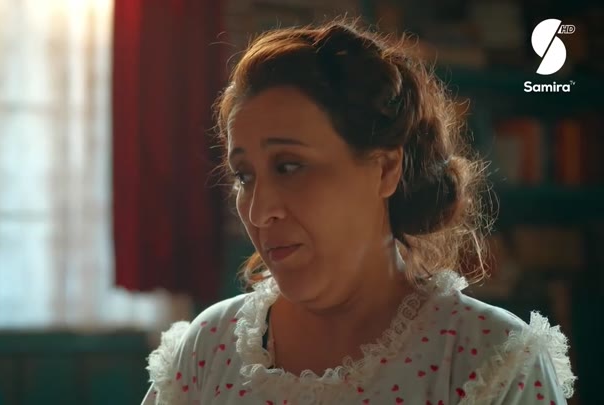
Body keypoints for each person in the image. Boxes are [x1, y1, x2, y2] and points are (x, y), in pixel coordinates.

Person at [141, 20, 575, 405]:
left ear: (384, 169)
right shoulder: (207, 350)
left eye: (290, 166)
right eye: (244, 176)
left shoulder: (490, 361)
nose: (259, 211)